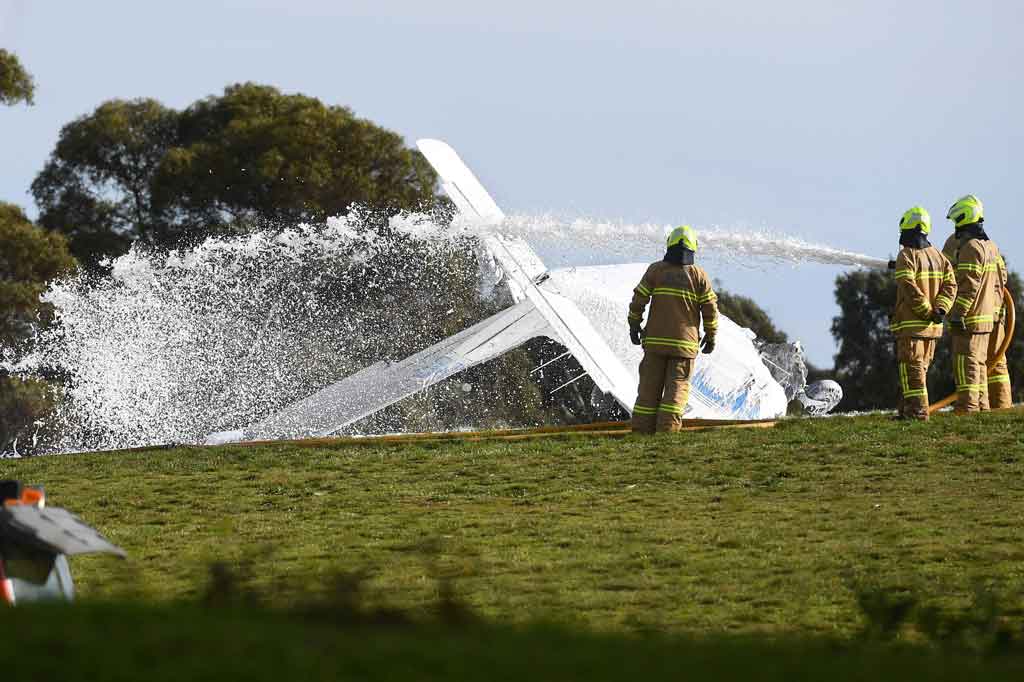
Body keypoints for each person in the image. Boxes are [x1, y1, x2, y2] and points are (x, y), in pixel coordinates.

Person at [627, 225, 718, 433]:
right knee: (676, 392)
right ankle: (666, 435)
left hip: (655, 343)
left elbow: (639, 299)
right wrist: (711, 336)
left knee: (648, 393)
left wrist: (634, 324)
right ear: (694, 248)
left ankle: (641, 434)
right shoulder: (699, 276)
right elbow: (710, 309)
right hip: (683, 346)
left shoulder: (656, 270)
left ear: (669, 244)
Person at [889, 207, 956, 420]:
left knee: (913, 372)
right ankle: (906, 411)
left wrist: (927, 311)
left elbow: (909, 288)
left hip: (913, 327)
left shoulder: (906, 255)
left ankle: (917, 413)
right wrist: (941, 309)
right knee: (917, 371)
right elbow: (951, 285)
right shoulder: (939, 257)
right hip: (932, 329)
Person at [941, 195, 1000, 413]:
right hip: (985, 318)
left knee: (966, 366)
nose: (955, 227)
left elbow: (968, 287)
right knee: (979, 367)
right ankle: (981, 408)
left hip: (970, 320)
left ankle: (967, 408)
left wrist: (957, 314)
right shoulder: (989, 246)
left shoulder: (970, 248)